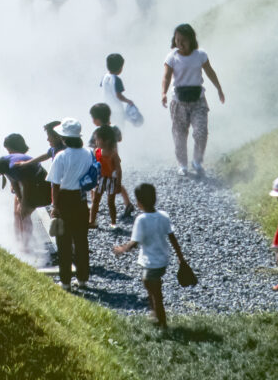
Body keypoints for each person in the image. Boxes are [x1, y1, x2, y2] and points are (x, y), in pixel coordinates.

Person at [113, 181, 190, 330]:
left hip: (152, 262)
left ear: (139, 203)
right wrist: (181, 258)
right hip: (162, 260)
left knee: (155, 291)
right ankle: (155, 312)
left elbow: (134, 242)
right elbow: (172, 238)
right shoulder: (163, 216)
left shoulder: (141, 220)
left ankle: (162, 322)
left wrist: (121, 249)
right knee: (149, 284)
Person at [161, 23, 225, 177]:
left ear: (191, 40)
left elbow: (210, 72)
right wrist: (163, 93)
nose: (180, 43)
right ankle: (182, 164)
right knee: (179, 135)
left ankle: (197, 161)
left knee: (201, 132)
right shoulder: (172, 57)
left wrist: (219, 88)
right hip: (179, 102)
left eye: (183, 40)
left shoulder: (200, 55)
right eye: (177, 40)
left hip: (198, 101)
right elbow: (166, 76)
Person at [47, 118, 95, 291]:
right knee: (82, 240)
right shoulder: (89, 152)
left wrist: (55, 206)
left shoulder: (61, 156)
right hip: (81, 200)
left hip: (65, 199)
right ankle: (82, 279)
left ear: (63, 137)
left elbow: (55, 183)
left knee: (64, 242)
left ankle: (65, 281)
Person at [0, 136, 48, 249]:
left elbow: (27, 185)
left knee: (23, 213)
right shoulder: (4, 164)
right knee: (18, 212)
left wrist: (24, 204)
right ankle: (19, 242)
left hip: (42, 185)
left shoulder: (13, 166)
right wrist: (19, 197)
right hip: (32, 183)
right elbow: (14, 182)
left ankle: (26, 246)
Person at [89, 105, 134, 217]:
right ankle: (127, 203)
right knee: (116, 182)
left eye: (93, 118)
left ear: (97, 119)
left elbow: (91, 145)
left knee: (96, 182)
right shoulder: (115, 128)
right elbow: (119, 139)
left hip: (101, 161)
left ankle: (94, 203)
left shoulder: (97, 131)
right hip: (114, 161)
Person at [88, 124, 122, 230]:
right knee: (95, 201)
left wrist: (118, 184)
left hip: (111, 180)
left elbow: (118, 170)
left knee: (110, 202)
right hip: (99, 179)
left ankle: (113, 223)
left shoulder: (113, 154)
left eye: (98, 140)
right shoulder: (97, 151)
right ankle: (91, 221)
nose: (96, 142)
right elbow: (94, 165)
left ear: (106, 141)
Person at [99, 53, 135, 128]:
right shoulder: (116, 79)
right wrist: (128, 101)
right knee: (118, 129)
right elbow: (118, 95)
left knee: (107, 128)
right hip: (116, 110)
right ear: (120, 68)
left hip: (105, 108)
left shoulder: (104, 77)